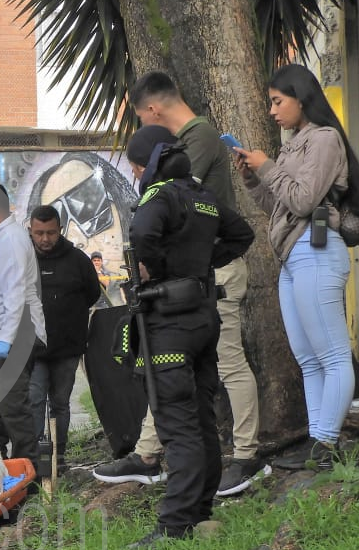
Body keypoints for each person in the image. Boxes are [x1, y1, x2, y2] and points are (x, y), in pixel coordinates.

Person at [95, 71, 266, 496]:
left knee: (228, 364)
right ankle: (148, 455)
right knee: (166, 363)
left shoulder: (198, 138)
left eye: (141, 118)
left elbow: (180, 202)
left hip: (210, 277)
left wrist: (184, 261)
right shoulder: (188, 141)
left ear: (152, 109)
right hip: (188, 280)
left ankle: (246, 455)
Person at [121, 127, 255, 548]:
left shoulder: (159, 195)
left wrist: (162, 269)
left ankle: (174, 524)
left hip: (170, 325)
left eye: (136, 167)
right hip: (202, 320)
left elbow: (142, 235)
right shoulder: (202, 195)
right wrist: (199, 265)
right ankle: (199, 510)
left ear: (146, 164)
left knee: (177, 424)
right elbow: (242, 234)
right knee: (200, 419)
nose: (136, 174)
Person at [233, 64, 359, 471]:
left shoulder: (324, 139)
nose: (272, 111)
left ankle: (326, 443)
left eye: (278, 101)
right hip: (293, 255)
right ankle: (318, 442)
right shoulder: (294, 145)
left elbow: (305, 200)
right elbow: (281, 208)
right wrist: (254, 179)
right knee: (308, 358)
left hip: (317, 251)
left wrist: (267, 167)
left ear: (301, 98)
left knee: (333, 355)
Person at [0, 181, 46, 461]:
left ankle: (29, 469)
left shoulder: (11, 239)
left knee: (13, 408)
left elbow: (15, 295)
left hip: (14, 333)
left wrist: (5, 340)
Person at [28, 205, 101, 462]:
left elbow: (93, 293)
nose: (45, 239)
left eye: (50, 232)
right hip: (33, 347)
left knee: (60, 403)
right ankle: (36, 460)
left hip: (67, 348)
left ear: (60, 230)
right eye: (39, 233)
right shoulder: (22, 260)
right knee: (35, 400)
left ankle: (58, 457)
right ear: (30, 230)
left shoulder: (78, 260)